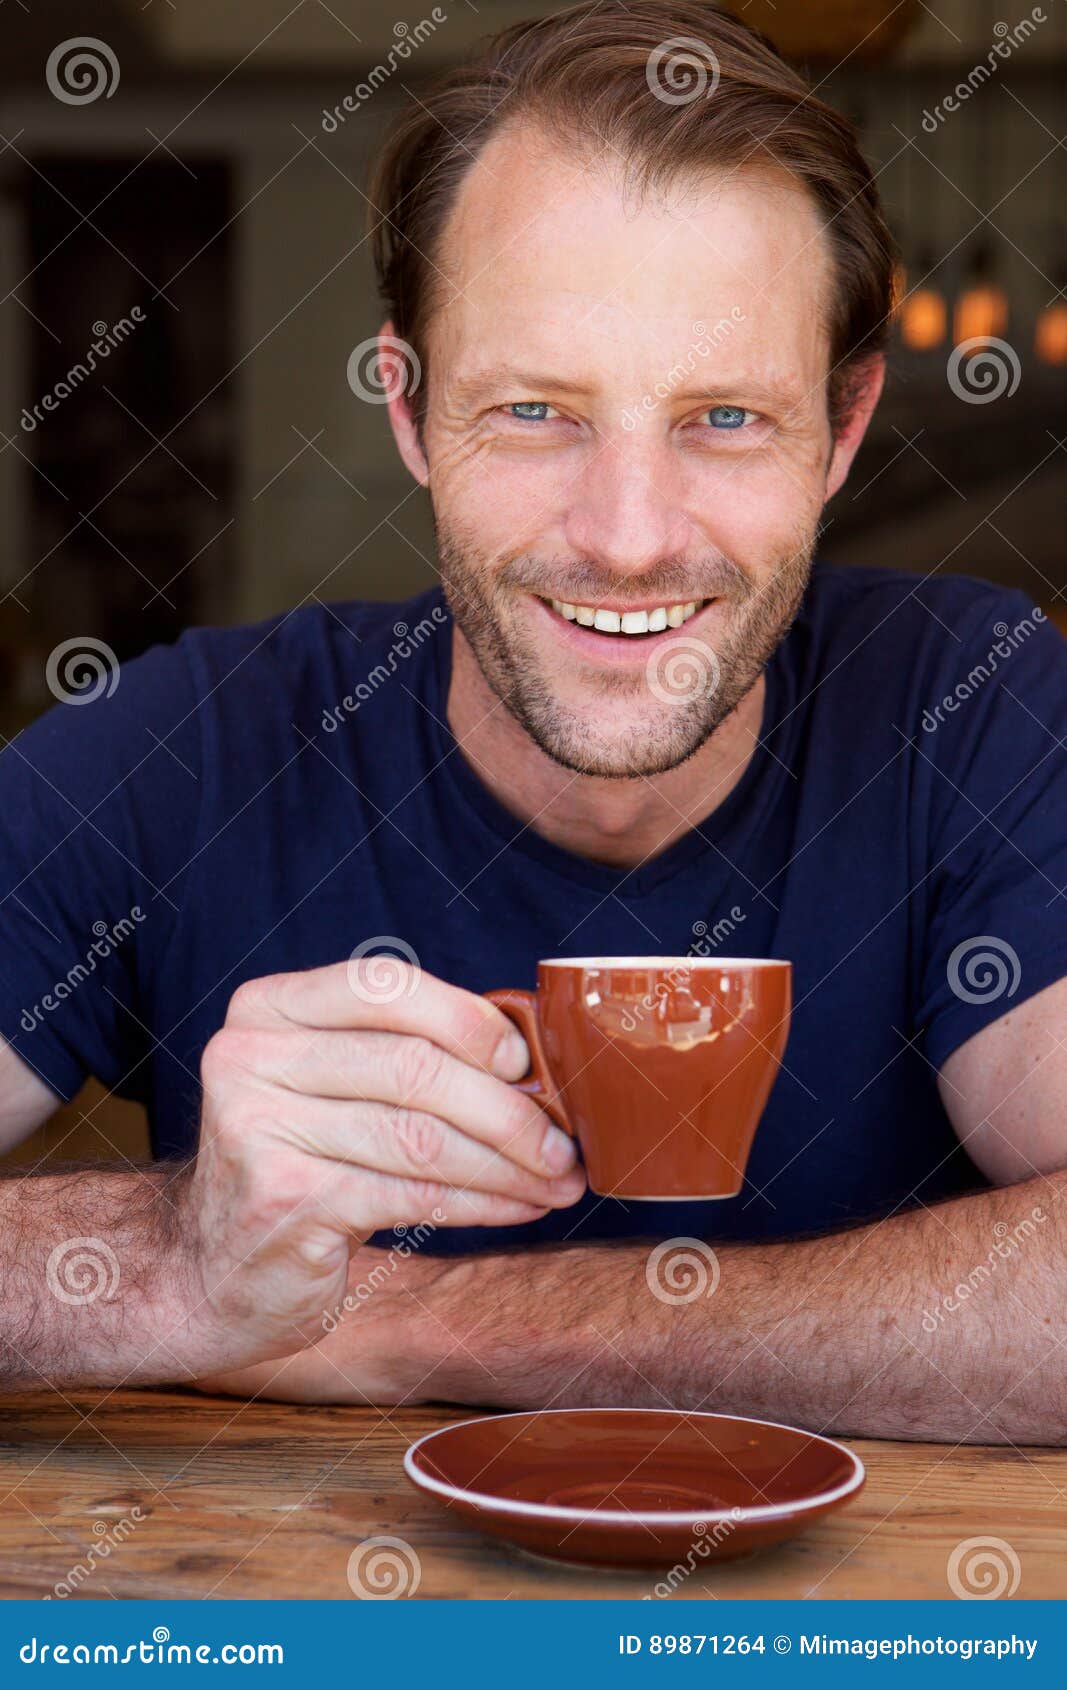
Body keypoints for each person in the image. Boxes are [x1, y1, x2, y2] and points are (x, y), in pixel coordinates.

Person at [1, 1, 1064, 1443]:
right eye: (536, 412)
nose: (628, 539)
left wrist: (407, 1321)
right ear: (409, 413)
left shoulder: (973, 705)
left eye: (726, 420)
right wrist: (176, 1259)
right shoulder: (185, 747)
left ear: (845, 426)